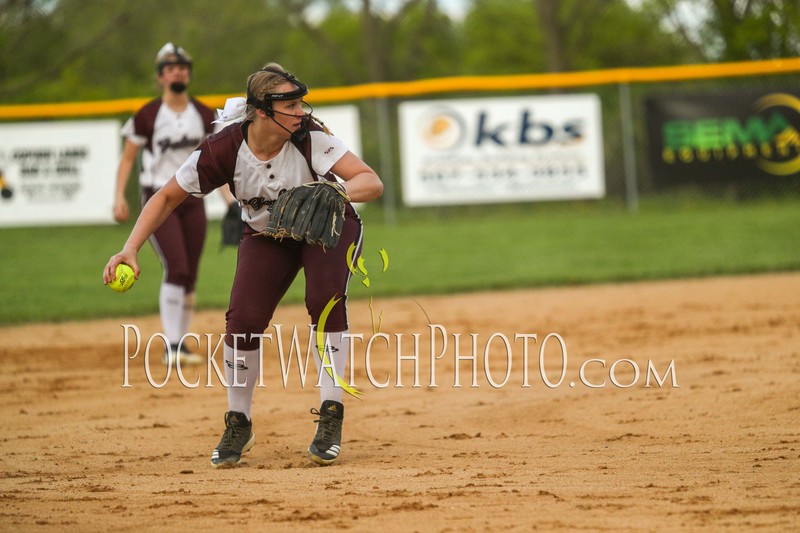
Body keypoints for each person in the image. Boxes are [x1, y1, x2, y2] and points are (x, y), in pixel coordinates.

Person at [103, 63, 383, 467]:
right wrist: (130, 248)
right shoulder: (223, 148)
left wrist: (334, 192)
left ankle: (331, 414)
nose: (301, 111)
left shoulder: (309, 138)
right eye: (290, 105)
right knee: (243, 319)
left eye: (300, 103)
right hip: (267, 235)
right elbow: (165, 197)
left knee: (324, 301)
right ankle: (239, 422)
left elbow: (370, 181)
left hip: (327, 229)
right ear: (263, 112)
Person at [112, 42, 232, 367]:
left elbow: (215, 163)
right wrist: (119, 195)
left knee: (189, 274)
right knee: (176, 267)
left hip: (194, 200)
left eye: (182, 67)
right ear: (160, 76)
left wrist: (230, 202)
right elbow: (128, 158)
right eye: (170, 68)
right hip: (159, 200)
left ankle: (180, 342)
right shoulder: (148, 115)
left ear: (188, 74)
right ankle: (173, 345)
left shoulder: (204, 115)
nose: (178, 72)